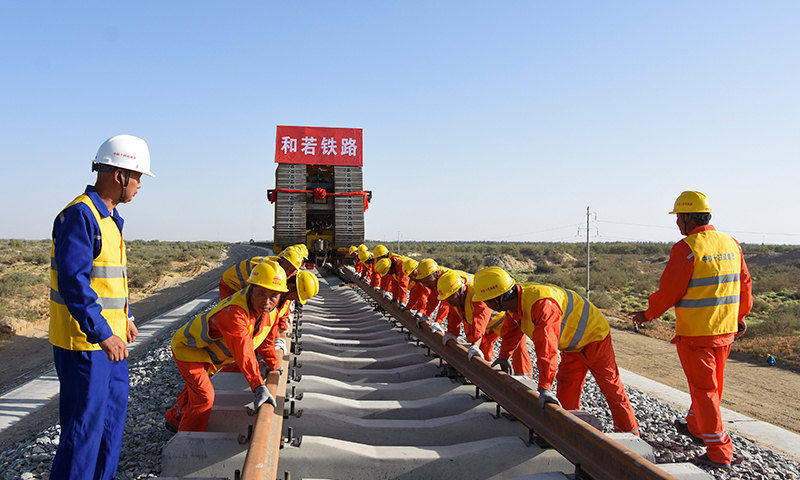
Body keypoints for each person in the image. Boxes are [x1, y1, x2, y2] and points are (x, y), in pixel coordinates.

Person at [49, 134, 154, 480]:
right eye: (137, 177)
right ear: (119, 175)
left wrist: (126, 318)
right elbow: (74, 283)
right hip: (86, 345)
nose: (140, 186)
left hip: (111, 344)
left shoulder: (110, 219)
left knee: (109, 427)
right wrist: (103, 333)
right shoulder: (80, 216)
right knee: (83, 433)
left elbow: (107, 282)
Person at [629, 191, 752, 470]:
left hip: (697, 334)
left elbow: (670, 291)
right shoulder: (731, 244)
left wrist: (648, 314)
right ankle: (697, 427)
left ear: (686, 218)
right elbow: (745, 283)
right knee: (712, 386)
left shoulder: (686, 248)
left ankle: (719, 451)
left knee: (705, 390)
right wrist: (741, 316)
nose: (677, 224)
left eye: (677, 218)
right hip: (726, 329)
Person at [473, 267, 639, 436]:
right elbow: (512, 330)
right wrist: (503, 357)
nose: (485, 305)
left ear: (497, 300)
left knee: (610, 386)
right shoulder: (516, 302)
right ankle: (568, 426)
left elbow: (547, 347)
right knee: (567, 383)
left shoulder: (541, 304)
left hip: (595, 337)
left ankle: (630, 433)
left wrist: (545, 387)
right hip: (572, 344)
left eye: (486, 301)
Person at [165, 260, 286, 432]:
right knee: (204, 397)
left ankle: (173, 419)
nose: (266, 302)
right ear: (250, 290)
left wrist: (274, 365)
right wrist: (258, 386)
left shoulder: (269, 313)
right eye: (261, 294)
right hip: (189, 350)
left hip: (209, 354)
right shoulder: (235, 312)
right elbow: (243, 349)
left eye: (273, 296)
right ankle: (187, 439)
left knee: (197, 386)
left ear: (280, 296)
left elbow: (265, 341)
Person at [436, 271, 533, 377]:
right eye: (446, 298)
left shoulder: (476, 294)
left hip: (502, 322)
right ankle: (487, 374)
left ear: (460, 290)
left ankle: (524, 376)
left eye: (450, 297)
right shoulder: (456, 301)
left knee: (518, 346)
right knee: (483, 350)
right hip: (487, 327)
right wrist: (451, 333)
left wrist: (475, 344)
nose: (448, 300)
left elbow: (480, 318)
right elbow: (454, 317)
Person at [218, 247, 303, 299]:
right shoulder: (266, 267)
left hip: (244, 284)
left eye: (291, 270)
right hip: (231, 282)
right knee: (232, 310)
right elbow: (259, 293)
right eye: (286, 267)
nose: (287, 272)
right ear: (281, 260)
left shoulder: (286, 272)